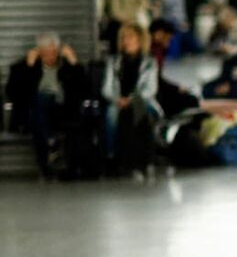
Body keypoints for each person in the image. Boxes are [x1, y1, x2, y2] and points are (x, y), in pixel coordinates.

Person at [5, 33, 91, 177]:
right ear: (38, 52)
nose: (50, 58)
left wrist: (74, 62)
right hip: (35, 111)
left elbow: (85, 90)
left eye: (53, 53)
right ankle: (51, 150)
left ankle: (47, 159)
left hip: (62, 110)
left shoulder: (68, 66)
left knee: (40, 112)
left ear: (58, 51)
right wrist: (29, 68)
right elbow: (14, 94)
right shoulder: (23, 66)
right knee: (39, 106)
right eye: (45, 54)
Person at [103, 24, 159, 178]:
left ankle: (143, 159)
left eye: (130, 37)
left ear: (140, 40)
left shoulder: (149, 62)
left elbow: (151, 89)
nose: (126, 41)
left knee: (141, 111)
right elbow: (106, 88)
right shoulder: (113, 61)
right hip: (118, 101)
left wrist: (132, 99)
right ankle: (112, 155)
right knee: (112, 114)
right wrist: (117, 99)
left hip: (142, 100)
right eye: (123, 38)